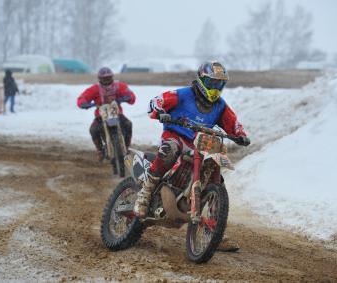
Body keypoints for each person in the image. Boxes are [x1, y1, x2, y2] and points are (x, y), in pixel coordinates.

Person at [134, 61, 250, 251]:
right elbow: (156, 103)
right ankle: (145, 194)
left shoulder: (220, 106)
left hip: (201, 142)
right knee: (169, 150)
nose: (215, 88)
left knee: (216, 175)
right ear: (202, 80)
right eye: (212, 83)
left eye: (219, 84)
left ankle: (215, 231)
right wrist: (160, 112)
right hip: (176, 136)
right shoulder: (182, 95)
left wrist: (241, 135)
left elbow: (233, 123)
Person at [77, 67, 136, 161]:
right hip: (100, 116)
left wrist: (125, 98)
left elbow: (130, 95)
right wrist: (85, 104)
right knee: (93, 130)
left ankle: (127, 146)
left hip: (117, 114)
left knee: (128, 124)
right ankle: (99, 150)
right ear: (100, 79)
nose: (107, 80)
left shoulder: (119, 86)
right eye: (104, 78)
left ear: (112, 77)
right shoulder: (94, 89)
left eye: (109, 78)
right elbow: (82, 97)